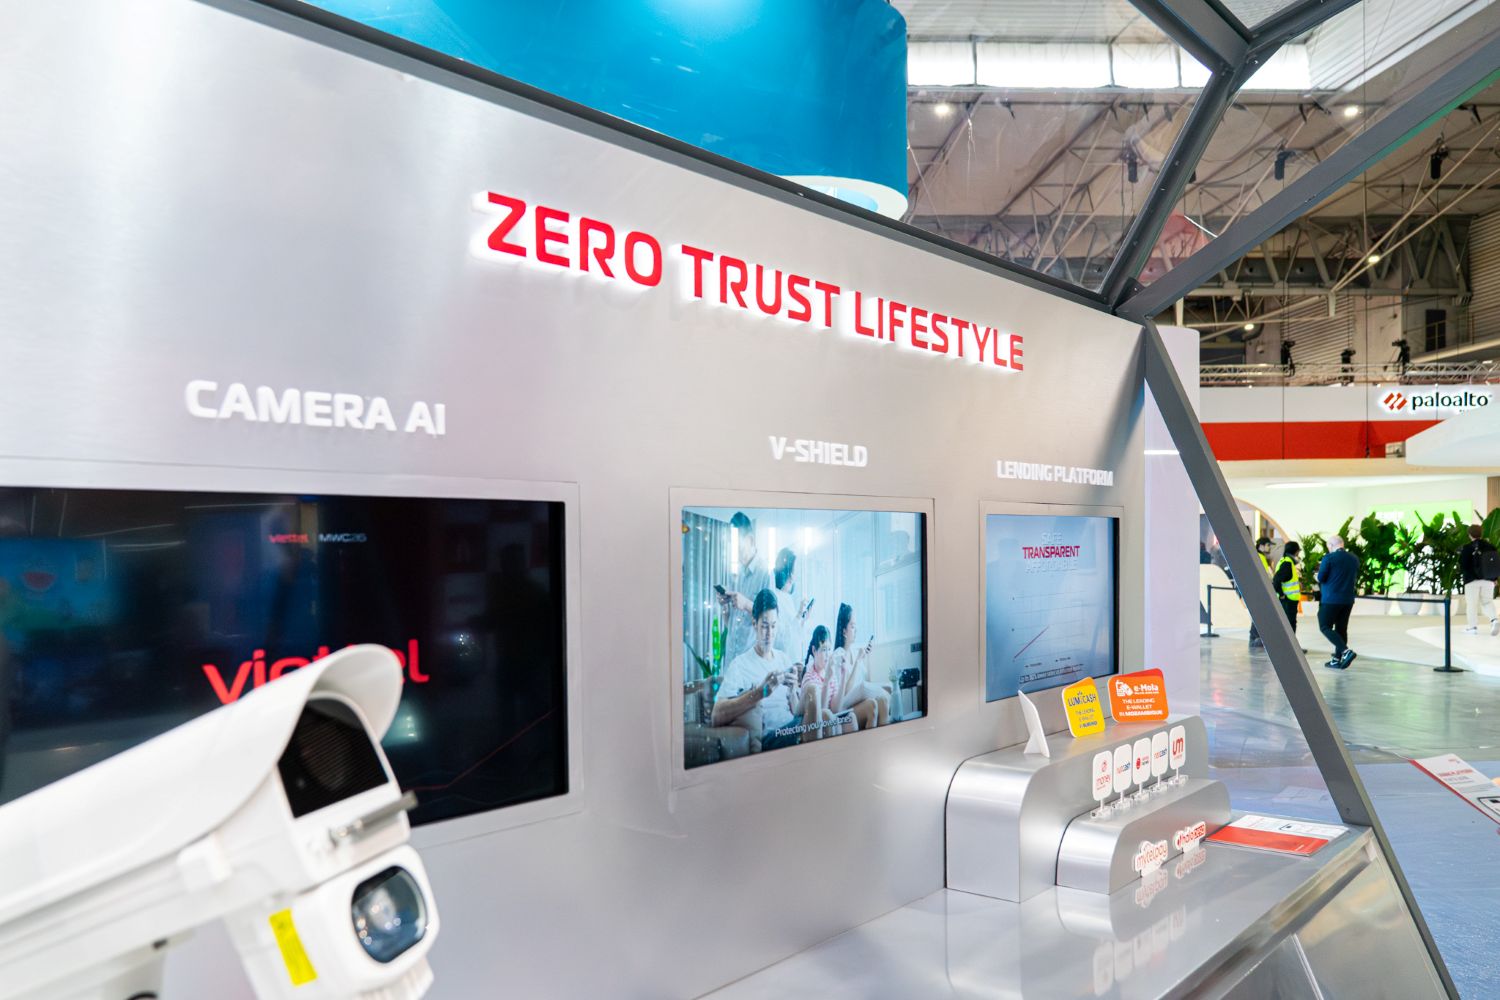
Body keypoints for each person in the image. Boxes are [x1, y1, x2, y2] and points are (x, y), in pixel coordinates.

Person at [712, 589, 819, 751]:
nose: (770, 633)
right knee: (815, 700)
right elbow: (716, 715)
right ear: (754, 623)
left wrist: (792, 691)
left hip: (792, 727)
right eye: (764, 626)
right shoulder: (740, 665)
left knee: (824, 713)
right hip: (771, 738)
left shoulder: (783, 659)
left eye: (773, 626)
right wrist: (760, 692)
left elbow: (794, 709)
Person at [716, 512, 771, 669]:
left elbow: (770, 620)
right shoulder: (737, 573)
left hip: (751, 666)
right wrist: (725, 606)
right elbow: (731, 624)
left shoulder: (765, 573)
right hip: (731, 660)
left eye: (738, 547)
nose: (736, 553)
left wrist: (746, 604)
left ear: (750, 540)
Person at [828, 603, 891, 729]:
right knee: (875, 701)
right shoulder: (838, 656)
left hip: (858, 703)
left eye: (855, 626)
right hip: (844, 711)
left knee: (884, 696)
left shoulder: (855, 652)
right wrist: (857, 661)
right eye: (852, 626)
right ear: (844, 631)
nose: (856, 630)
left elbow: (866, 682)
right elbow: (845, 693)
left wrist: (863, 659)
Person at [798, 625, 856, 739]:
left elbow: (836, 708)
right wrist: (827, 681)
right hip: (815, 726)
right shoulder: (809, 677)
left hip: (829, 719)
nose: (828, 655)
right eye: (824, 649)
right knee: (828, 716)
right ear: (814, 650)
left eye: (829, 649)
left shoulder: (829, 673)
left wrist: (843, 675)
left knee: (851, 718)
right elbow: (819, 713)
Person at [1317, 535, 1359, 669]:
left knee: (1324, 625)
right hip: (1348, 599)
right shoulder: (1354, 558)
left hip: (1331, 598)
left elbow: (1321, 577)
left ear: (1330, 545)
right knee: (1341, 628)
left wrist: (1316, 576)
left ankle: (1346, 652)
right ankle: (1336, 659)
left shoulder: (1329, 558)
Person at [770, 547, 812, 663]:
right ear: (787, 572)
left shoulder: (788, 598)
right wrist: (798, 615)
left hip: (794, 659)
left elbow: (796, 637)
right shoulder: (775, 598)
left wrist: (803, 620)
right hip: (782, 662)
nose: (795, 576)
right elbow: (781, 640)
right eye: (793, 570)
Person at [1459, 524, 1500, 636]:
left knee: (1472, 604)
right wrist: (1494, 578)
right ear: (1481, 533)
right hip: (1488, 579)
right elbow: (1495, 563)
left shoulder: (1467, 548)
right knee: (1487, 602)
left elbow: (1463, 565)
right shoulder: (1490, 546)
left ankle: (1472, 627)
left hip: (1471, 580)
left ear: (1469, 535)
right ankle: (1494, 620)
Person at [1273, 541, 1304, 650]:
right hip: (1288, 600)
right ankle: (1291, 648)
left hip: (1289, 599)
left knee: (1289, 623)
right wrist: (1281, 594)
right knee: (1290, 624)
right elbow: (1276, 580)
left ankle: (1290, 647)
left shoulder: (1286, 561)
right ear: (1296, 551)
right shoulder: (1287, 563)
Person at [1248, 537, 1274, 649]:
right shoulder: (1257, 556)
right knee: (1258, 614)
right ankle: (1254, 638)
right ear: (1262, 545)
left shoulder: (1261, 556)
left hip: (1261, 590)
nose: (1269, 547)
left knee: (1260, 614)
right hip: (1258, 590)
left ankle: (1257, 638)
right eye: (1268, 545)